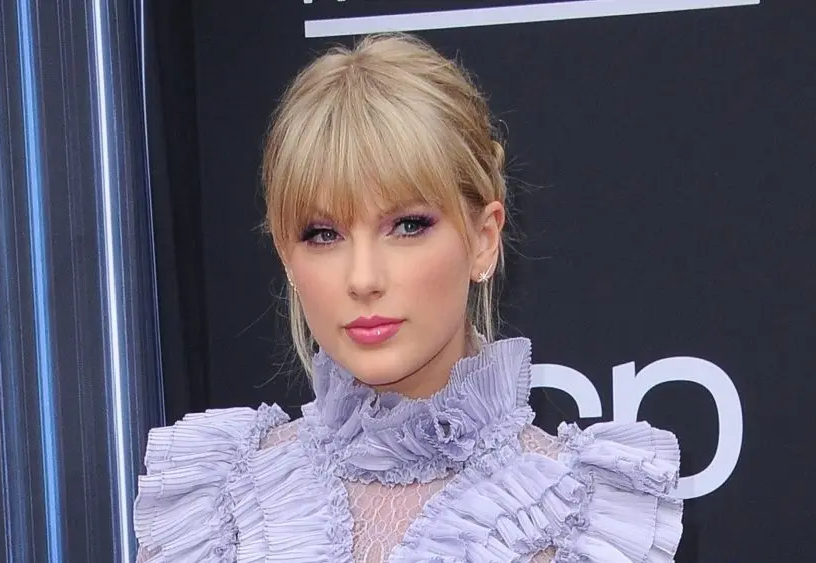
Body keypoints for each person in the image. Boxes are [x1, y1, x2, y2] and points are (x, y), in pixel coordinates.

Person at [133, 33, 682, 562]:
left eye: (407, 225)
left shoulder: (584, 517)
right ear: (285, 257)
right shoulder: (216, 509)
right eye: (323, 234)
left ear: (484, 239)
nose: (364, 277)